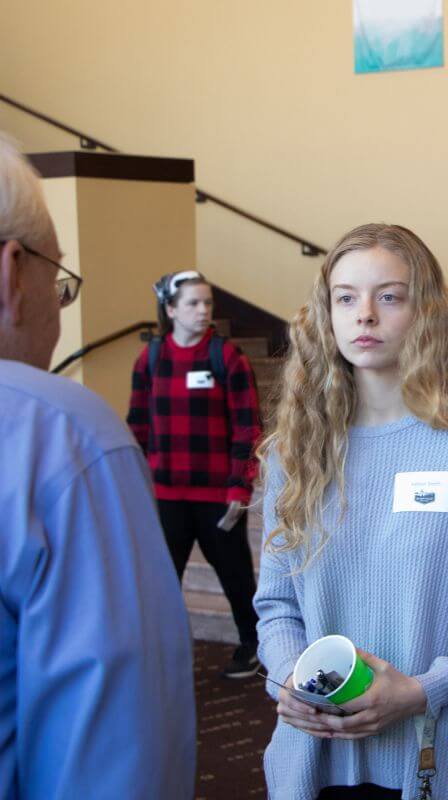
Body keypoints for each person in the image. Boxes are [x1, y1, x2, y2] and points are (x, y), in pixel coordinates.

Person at [254, 223, 448, 799]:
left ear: (426, 313)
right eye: (346, 297)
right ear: (327, 313)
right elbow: (277, 605)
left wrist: (424, 690)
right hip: (318, 759)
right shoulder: (297, 451)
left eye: (388, 296)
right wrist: (291, 680)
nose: (364, 314)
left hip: (437, 760)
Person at [0, 134, 195, 797]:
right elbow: (115, 754)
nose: (59, 309)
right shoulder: (62, 436)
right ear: (10, 273)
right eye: (58, 283)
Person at [127, 268, 263, 678]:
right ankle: (162, 652)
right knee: (162, 582)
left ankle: (252, 644)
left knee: (236, 575)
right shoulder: (150, 359)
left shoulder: (228, 357)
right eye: (193, 303)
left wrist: (241, 486)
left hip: (217, 497)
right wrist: (136, 487)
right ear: (171, 309)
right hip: (166, 495)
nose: (203, 311)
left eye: (208, 303)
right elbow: (137, 427)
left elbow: (248, 427)